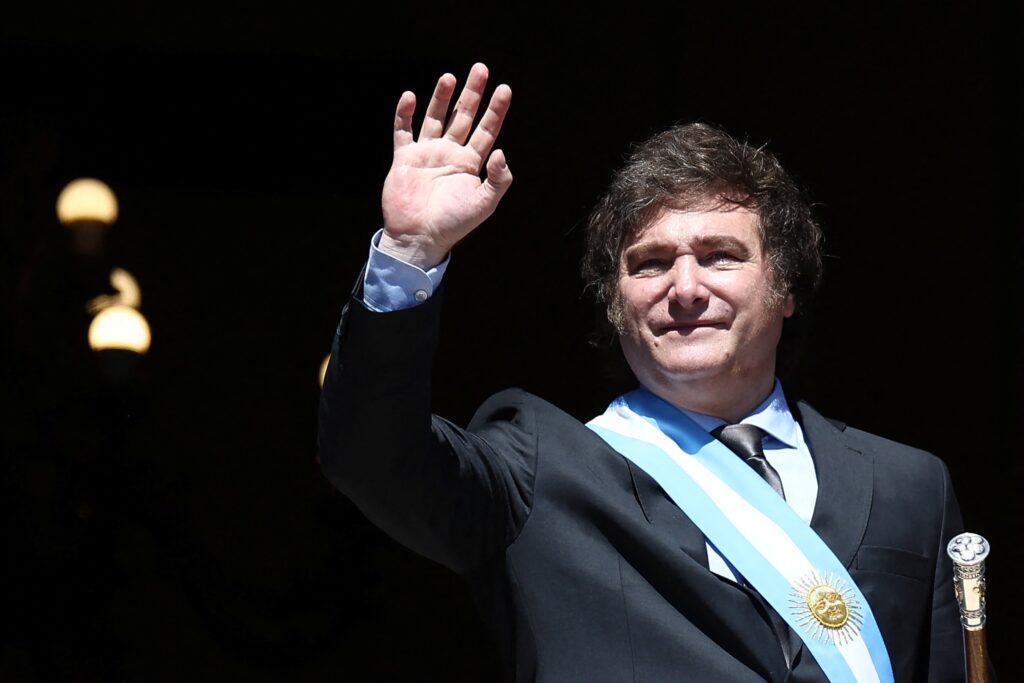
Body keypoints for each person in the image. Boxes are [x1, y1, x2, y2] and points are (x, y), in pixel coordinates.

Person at [318, 62, 966, 682]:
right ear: (614, 300)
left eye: (720, 256)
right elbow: (371, 455)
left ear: (787, 286)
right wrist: (410, 251)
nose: (686, 287)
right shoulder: (539, 472)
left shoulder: (911, 488)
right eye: (651, 263)